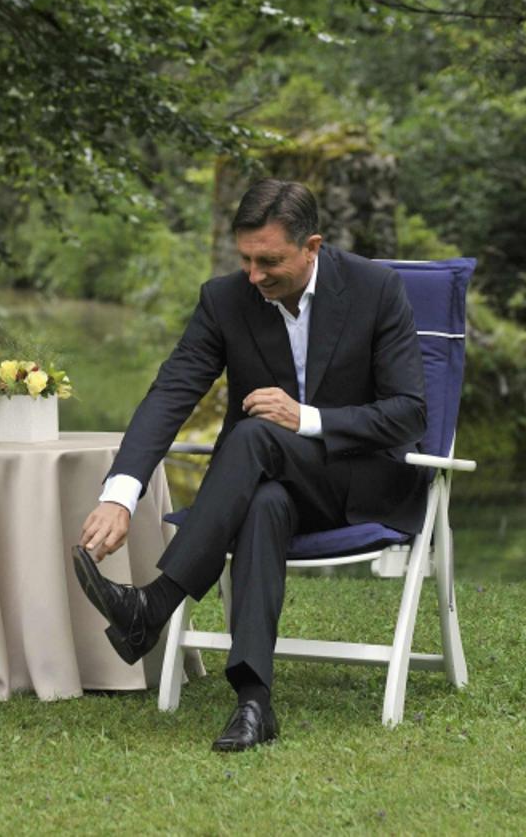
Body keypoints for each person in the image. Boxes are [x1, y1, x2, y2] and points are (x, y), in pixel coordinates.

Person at [74, 179, 427, 752]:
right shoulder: (225, 299)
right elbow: (170, 394)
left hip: (361, 482)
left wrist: (305, 417)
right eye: (246, 260)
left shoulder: (375, 289)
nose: (256, 275)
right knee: (263, 501)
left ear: (312, 246)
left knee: (258, 432)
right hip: (274, 483)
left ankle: (157, 602)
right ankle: (253, 702)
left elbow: (409, 414)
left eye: (271, 261)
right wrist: (120, 493)